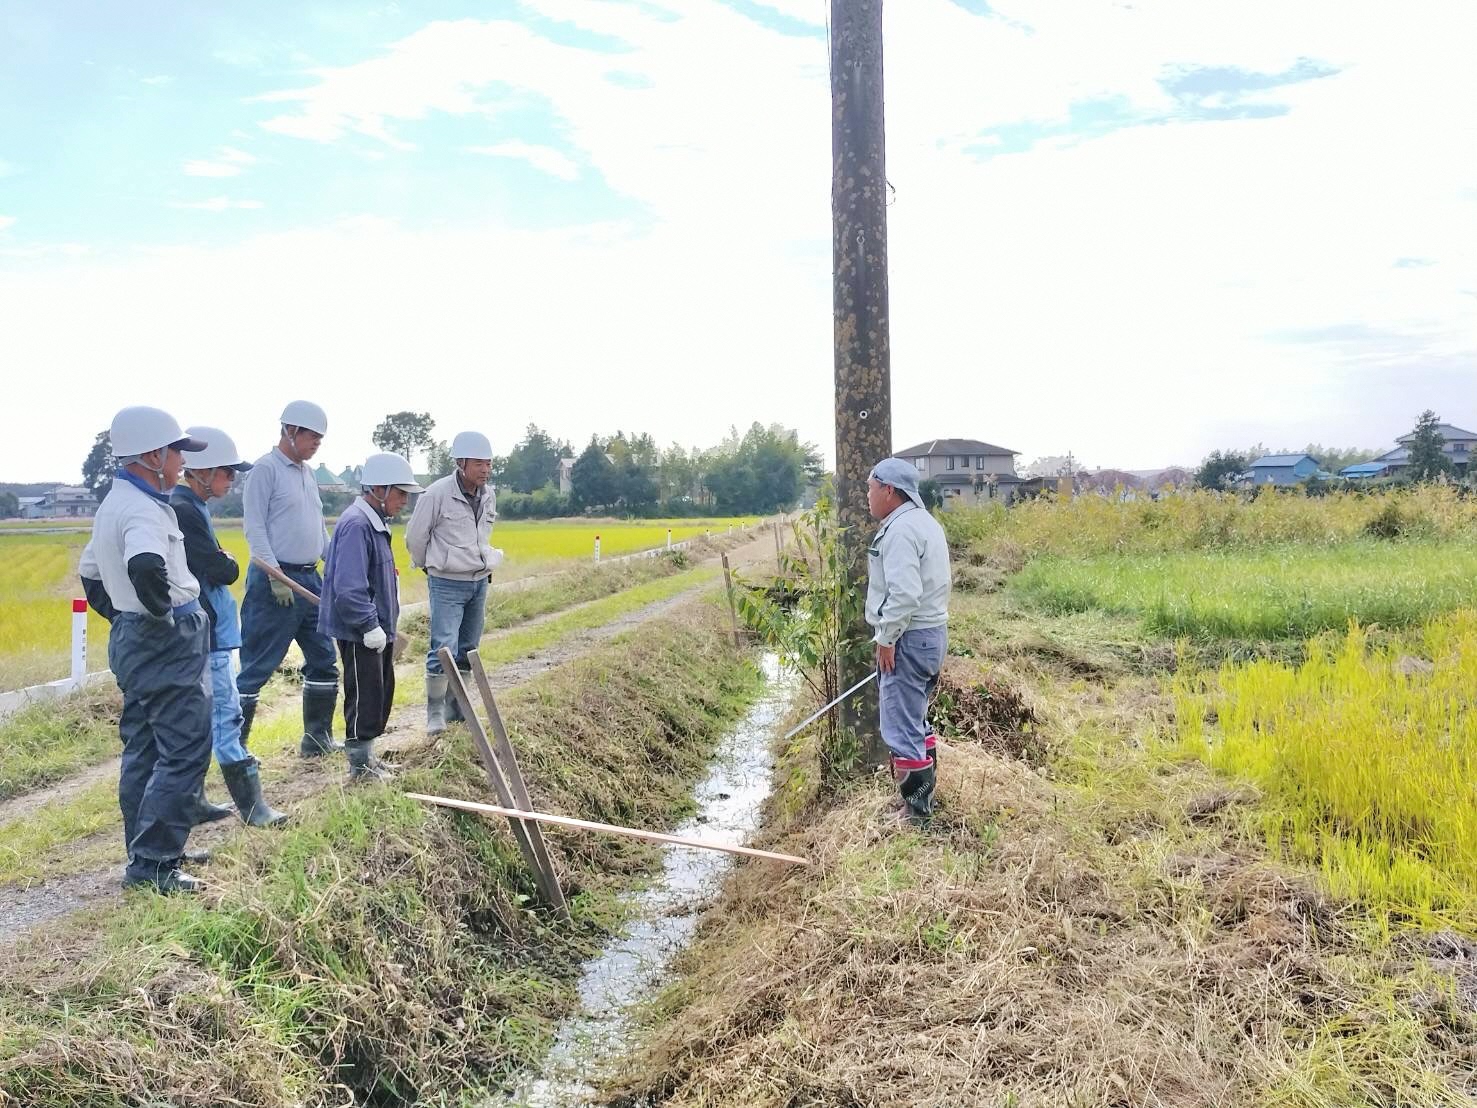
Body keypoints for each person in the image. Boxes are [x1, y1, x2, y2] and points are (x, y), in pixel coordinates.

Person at [78, 407, 213, 894]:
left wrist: (124, 617)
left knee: (145, 748)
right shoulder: (142, 510)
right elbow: (146, 567)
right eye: (177, 452)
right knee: (184, 750)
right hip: (164, 640)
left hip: (136, 640)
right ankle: (154, 865)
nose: (181, 462)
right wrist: (161, 617)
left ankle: (148, 848)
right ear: (154, 455)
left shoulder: (115, 503)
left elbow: (92, 575)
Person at [173, 428, 288, 829]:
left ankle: (195, 800)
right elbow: (222, 567)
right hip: (209, 633)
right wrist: (227, 561)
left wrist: (223, 560)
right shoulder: (185, 509)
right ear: (203, 472)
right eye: (226, 473)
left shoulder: (193, 506)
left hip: (215, 630)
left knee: (208, 717)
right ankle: (253, 808)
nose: (231, 480)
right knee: (226, 714)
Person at [238, 401, 341, 759]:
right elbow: (254, 528)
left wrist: (337, 565)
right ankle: (234, 749)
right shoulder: (264, 471)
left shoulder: (307, 474)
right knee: (257, 667)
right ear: (291, 431)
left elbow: (319, 529)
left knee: (324, 659)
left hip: (309, 580)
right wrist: (273, 573)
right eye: (313, 436)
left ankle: (317, 741)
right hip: (274, 585)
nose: (317, 444)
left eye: (321, 439)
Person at [318, 453, 422, 782]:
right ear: (378, 488)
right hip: (360, 631)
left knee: (378, 692)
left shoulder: (374, 523)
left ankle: (370, 758)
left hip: (377, 629)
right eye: (400, 492)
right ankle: (359, 768)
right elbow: (349, 588)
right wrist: (368, 625)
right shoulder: (356, 524)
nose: (404, 500)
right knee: (363, 695)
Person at [865, 456, 952, 823]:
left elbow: (904, 594)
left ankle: (916, 813)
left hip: (909, 638)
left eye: (871, 488)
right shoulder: (925, 523)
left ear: (889, 490)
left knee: (901, 726)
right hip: (931, 635)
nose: (867, 496)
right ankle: (920, 801)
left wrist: (886, 638)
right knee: (916, 721)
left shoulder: (900, 530)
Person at [404, 430, 503, 734]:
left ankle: (456, 707)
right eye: (478, 464)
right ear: (461, 463)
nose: (485, 470)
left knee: (468, 646)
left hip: (478, 581)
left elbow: (482, 536)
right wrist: (429, 566)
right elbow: (415, 537)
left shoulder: (489, 495)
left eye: (488, 464)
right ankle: (434, 713)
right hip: (446, 582)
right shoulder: (436, 494)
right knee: (442, 647)